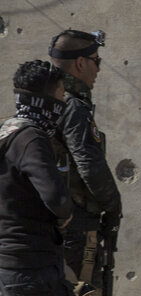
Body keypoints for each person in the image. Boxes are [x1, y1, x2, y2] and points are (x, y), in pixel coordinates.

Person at [49, 29, 122, 295]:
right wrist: (113, 207)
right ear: (81, 63)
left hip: (47, 226)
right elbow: (89, 165)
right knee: (88, 289)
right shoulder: (74, 107)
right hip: (78, 229)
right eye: (96, 61)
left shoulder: (44, 103)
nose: (98, 70)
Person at [0, 60, 74, 295]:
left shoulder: (6, 133)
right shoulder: (32, 139)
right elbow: (57, 198)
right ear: (46, 100)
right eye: (61, 95)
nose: (63, 103)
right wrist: (65, 215)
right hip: (31, 269)